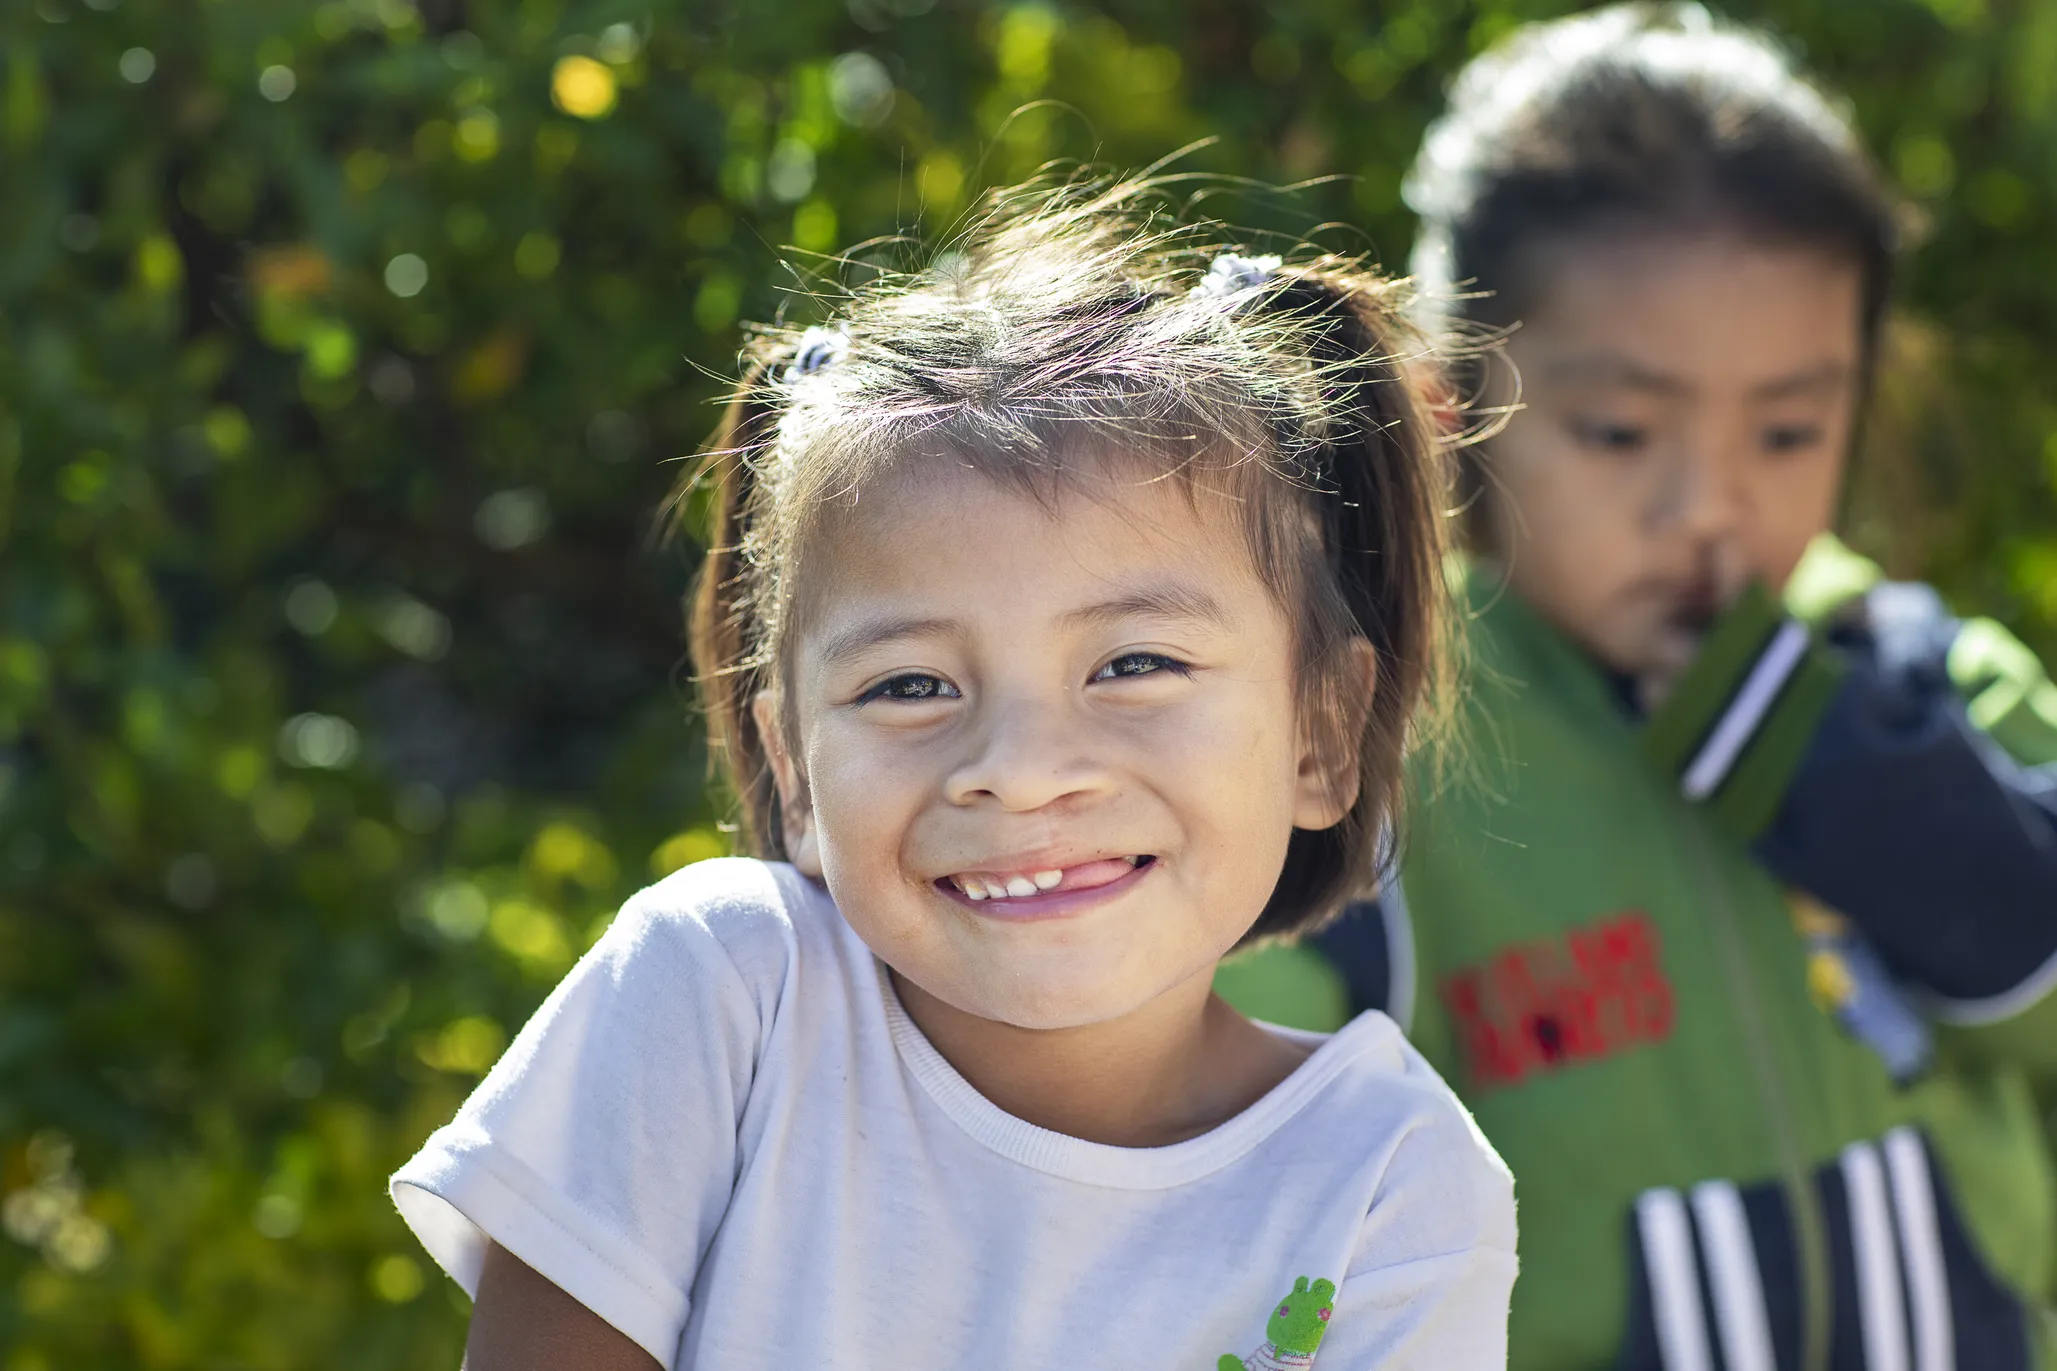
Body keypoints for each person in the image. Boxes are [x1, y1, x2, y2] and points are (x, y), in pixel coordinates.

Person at [387, 177, 1517, 1370]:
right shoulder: (719, 1001)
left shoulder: (1389, 1183)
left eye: (1133, 663)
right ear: (794, 769)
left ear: (1320, 735)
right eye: (910, 686)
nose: (1019, 773)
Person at [1216, 6, 2057, 1369]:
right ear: (1446, 405)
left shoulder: (1929, 680)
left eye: (1787, 427)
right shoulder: (1374, 740)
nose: (1707, 507)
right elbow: (1214, 1118)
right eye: (1617, 429)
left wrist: (1922, 826)